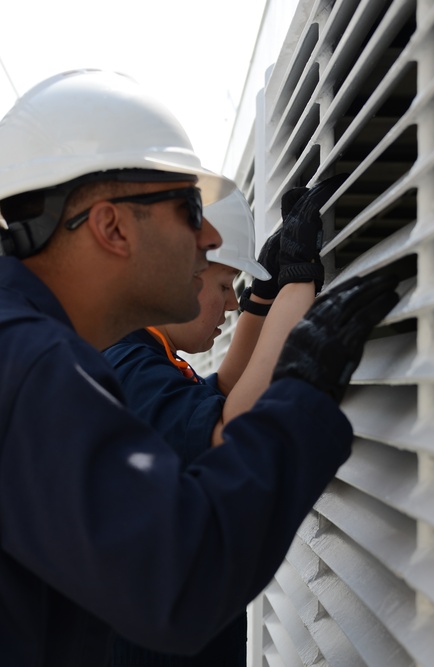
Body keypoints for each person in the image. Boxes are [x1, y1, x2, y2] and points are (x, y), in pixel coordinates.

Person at [0, 69, 399, 666]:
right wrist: (300, 398)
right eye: (189, 209)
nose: (207, 238)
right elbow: (179, 580)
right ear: (112, 225)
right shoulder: (21, 367)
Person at [103, 180, 341, 666]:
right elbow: (233, 425)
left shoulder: (143, 352)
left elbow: (226, 390)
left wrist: (265, 298)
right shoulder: (126, 364)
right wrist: (298, 284)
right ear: (177, 272)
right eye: (224, 285)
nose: (231, 304)